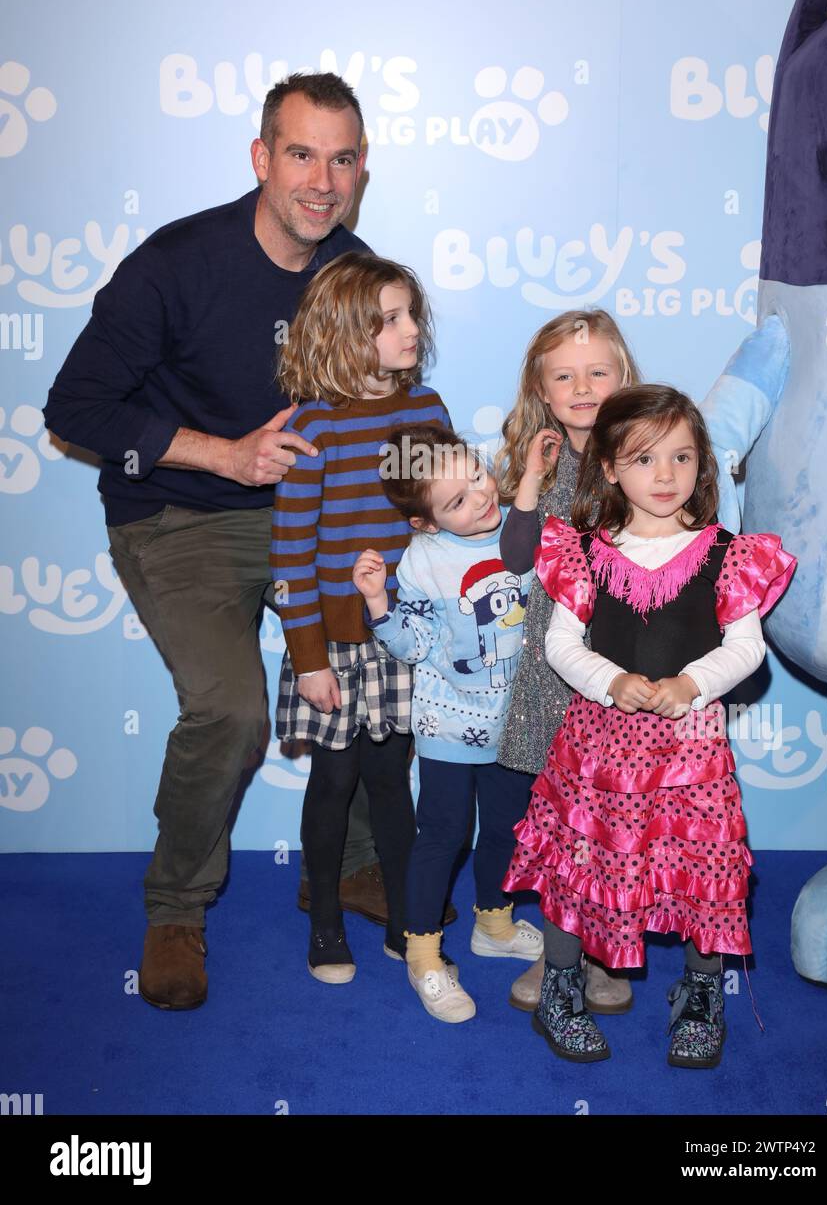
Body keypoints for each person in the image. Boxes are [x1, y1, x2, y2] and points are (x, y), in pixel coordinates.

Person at [42, 72, 387, 1010]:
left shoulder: (357, 275)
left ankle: (344, 865)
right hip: (176, 517)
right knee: (232, 712)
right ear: (260, 159)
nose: (322, 180)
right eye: (302, 153)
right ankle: (175, 907)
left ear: (362, 170)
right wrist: (223, 456)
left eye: (343, 158)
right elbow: (72, 408)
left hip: (302, 517)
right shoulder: (176, 261)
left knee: (371, 670)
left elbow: (377, 412)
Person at [503, 385, 796, 1067]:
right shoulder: (582, 551)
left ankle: (699, 993)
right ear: (608, 468)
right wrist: (611, 681)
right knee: (578, 865)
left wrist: (693, 684)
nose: (665, 476)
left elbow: (746, 646)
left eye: (681, 457)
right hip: (598, 746)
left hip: (692, 751)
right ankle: (561, 987)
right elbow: (560, 644)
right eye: (643, 459)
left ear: (702, 466)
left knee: (704, 868)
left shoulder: (729, 553)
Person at [271, 257, 451, 983]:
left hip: (402, 632)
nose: (412, 330)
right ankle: (323, 924)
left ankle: (411, 923)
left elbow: (432, 522)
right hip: (334, 646)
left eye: (412, 315)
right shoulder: (315, 427)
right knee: (334, 782)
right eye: (390, 319)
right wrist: (309, 657)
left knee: (389, 781)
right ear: (347, 332)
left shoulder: (423, 412)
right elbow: (290, 553)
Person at [353, 425, 539, 1023]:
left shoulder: (519, 523)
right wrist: (379, 603)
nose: (480, 499)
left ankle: (494, 921)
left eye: (478, 478)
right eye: (455, 501)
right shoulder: (423, 563)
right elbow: (413, 644)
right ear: (426, 523)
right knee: (443, 834)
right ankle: (424, 953)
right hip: (450, 724)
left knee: (509, 826)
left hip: (516, 720)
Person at [494, 310, 641, 1015]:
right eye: (564, 375)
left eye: (597, 371)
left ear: (623, 377)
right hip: (554, 673)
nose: (582, 386)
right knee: (559, 822)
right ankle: (560, 961)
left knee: (613, 822)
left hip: (625, 666)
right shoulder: (543, 461)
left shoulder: (647, 458)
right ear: (543, 390)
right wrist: (529, 477)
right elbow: (516, 559)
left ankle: (599, 955)